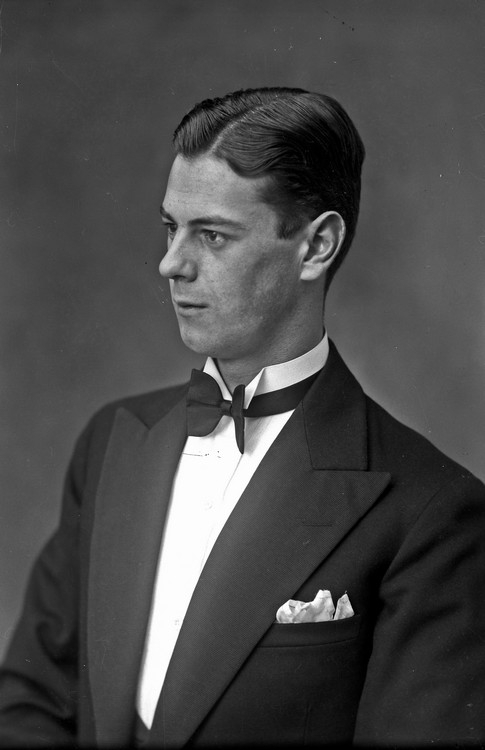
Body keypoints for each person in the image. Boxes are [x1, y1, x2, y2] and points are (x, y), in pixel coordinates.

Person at [0, 87, 484, 748]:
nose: (170, 264)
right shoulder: (113, 440)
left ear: (316, 247)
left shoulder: (431, 509)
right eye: (170, 228)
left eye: (213, 235)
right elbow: (32, 700)